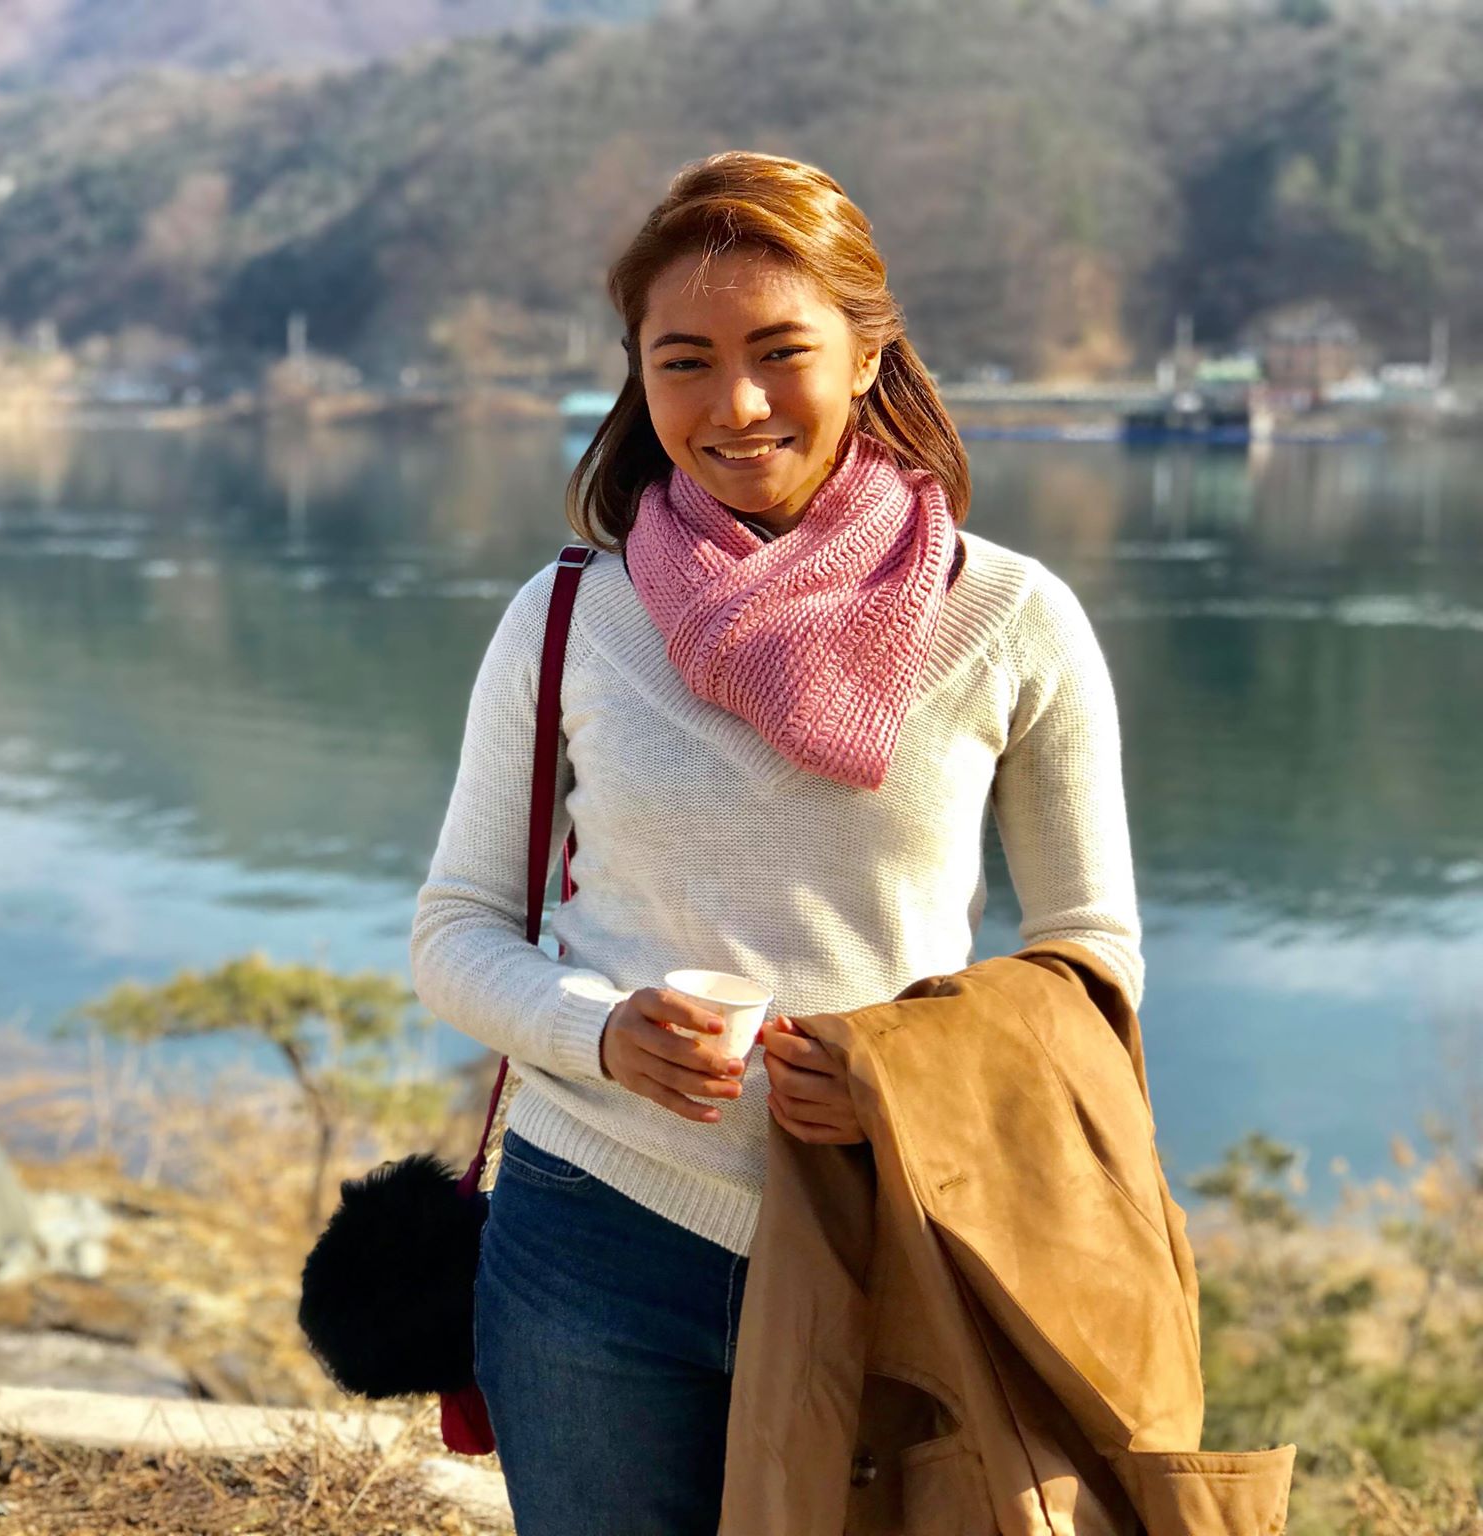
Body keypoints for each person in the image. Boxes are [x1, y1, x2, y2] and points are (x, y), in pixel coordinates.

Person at [408, 150, 1142, 1535]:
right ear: (639, 377)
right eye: (683, 362)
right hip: (589, 1244)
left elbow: (1094, 960)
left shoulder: (1010, 617)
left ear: (867, 355)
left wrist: (901, 1078)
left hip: (891, 1230)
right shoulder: (569, 617)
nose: (734, 406)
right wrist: (601, 1032)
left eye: (780, 352)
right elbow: (455, 929)